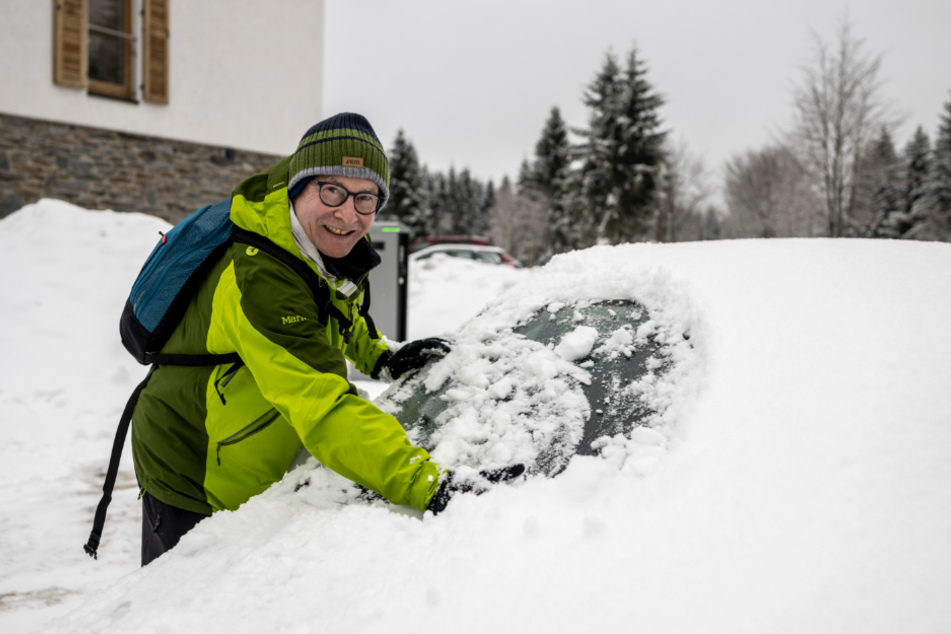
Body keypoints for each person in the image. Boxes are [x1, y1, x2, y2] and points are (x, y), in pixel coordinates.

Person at [132, 113, 481, 566]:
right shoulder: (259, 278)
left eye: (366, 198)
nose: (347, 213)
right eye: (332, 190)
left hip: (253, 458)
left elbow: (338, 311)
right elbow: (323, 403)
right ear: (298, 187)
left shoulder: (319, 246)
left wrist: (380, 356)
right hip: (191, 466)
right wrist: (425, 483)